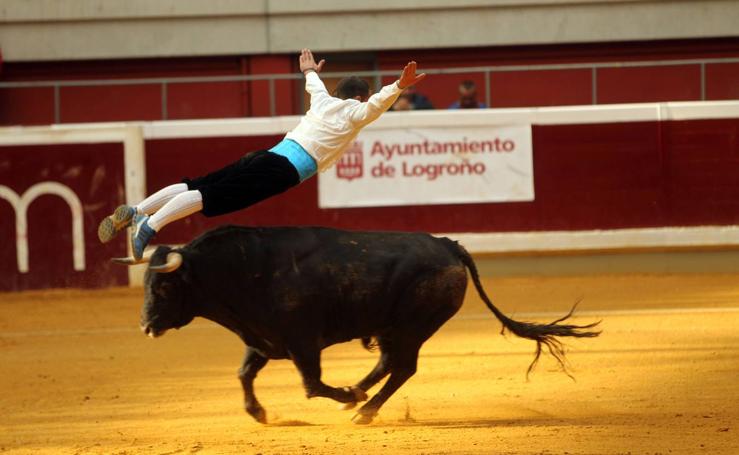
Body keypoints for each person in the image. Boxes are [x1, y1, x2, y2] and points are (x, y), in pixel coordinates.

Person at [97, 49, 426, 260]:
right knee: (209, 195)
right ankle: (149, 226)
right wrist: (398, 86)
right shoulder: (353, 111)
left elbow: (314, 85)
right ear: (358, 95)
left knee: (197, 183)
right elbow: (373, 107)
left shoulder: (323, 101)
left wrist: (310, 72)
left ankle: (138, 210)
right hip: (282, 169)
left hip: (267, 155)